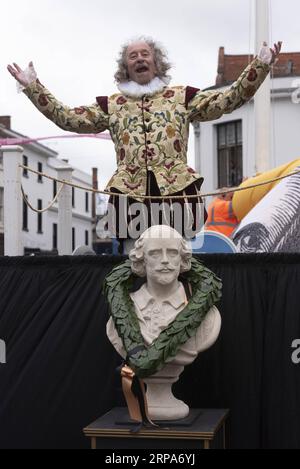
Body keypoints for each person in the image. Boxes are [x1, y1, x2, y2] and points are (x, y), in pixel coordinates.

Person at [7, 38, 282, 248]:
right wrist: (33, 87)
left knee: (178, 256)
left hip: (176, 192)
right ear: (126, 66)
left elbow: (228, 100)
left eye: (145, 54)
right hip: (130, 195)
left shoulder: (181, 97)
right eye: (132, 56)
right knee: (133, 258)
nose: (139, 59)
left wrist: (259, 67)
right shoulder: (112, 105)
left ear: (156, 62)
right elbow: (69, 119)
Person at [106, 225, 221, 420]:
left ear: (183, 260)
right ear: (142, 260)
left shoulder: (208, 316)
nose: (165, 260)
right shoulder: (119, 315)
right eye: (155, 253)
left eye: (173, 252)